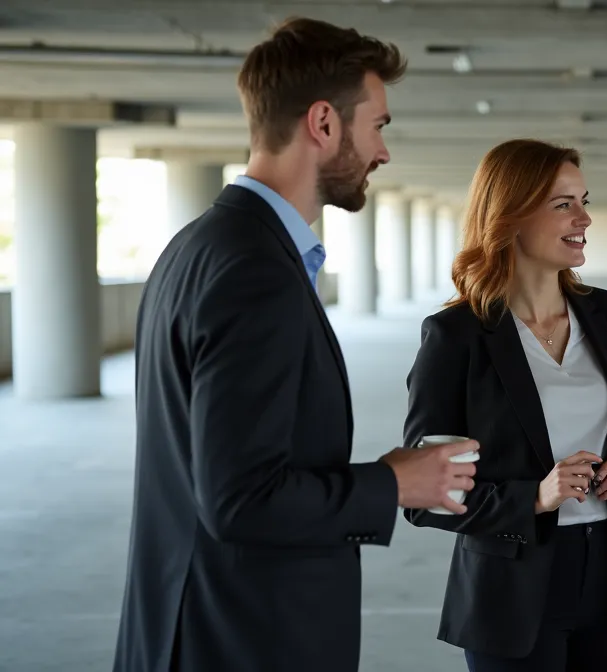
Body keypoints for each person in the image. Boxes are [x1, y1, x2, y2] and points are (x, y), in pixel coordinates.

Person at [113, 17, 478, 672]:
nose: (384, 152)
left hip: (193, 626)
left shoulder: (196, 246)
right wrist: (392, 485)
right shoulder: (255, 268)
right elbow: (240, 498)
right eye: (379, 126)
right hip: (243, 639)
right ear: (323, 124)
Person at [401, 139, 607, 672]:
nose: (584, 217)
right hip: (509, 594)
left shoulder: (606, 313)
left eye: (583, 200)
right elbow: (423, 493)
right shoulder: (456, 336)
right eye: (563, 204)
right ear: (510, 214)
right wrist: (534, 498)